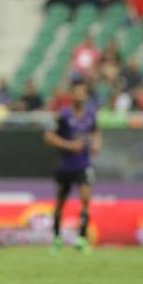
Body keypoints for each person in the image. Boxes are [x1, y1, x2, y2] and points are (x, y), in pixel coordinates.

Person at [43, 81, 100, 253]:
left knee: (86, 200)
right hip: (65, 166)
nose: (80, 96)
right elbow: (48, 137)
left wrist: (96, 143)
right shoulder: (63, 115)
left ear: (86, 95)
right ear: (71, 95)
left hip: (83, 164)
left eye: (83, 92)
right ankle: (56, 239)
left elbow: (96, 132)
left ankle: (81, 239)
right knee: (60, 203)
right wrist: (69, 145)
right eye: (77, 92)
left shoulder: (91, 115)